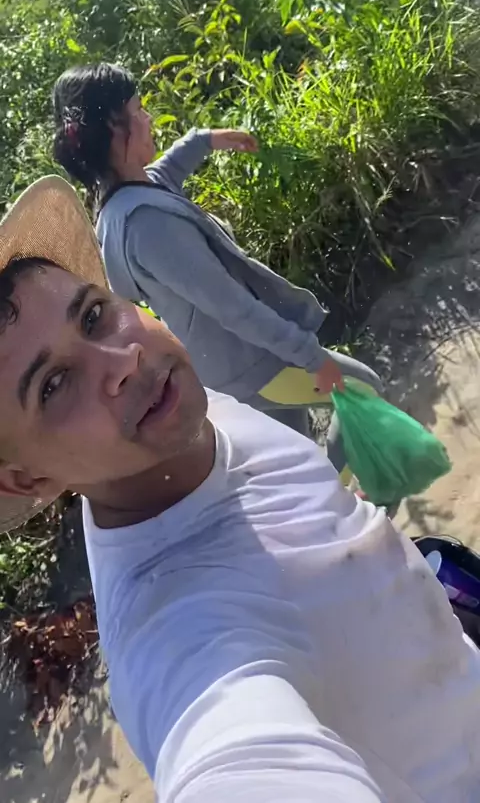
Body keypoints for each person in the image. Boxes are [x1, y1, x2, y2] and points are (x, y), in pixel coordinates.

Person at [0, 174, 479, 803]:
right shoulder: (180, 640)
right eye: (54, 385)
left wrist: (343, 530)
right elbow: (235, 749)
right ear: (27, 478)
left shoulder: (180, 412)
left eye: (93, 316)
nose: (121, 363)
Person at [52, 62, 382, 484]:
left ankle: (317, 505)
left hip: (230, 360)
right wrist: (312, 357)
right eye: (138, 110)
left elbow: (165, 173)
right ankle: (337, 505)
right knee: (364, 390)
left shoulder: (123, 199)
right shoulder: (150, 227)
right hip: (251, 360)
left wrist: (205, 140)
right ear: (115, 129)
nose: (148, 118)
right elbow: (233, 308)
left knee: (294, 454)